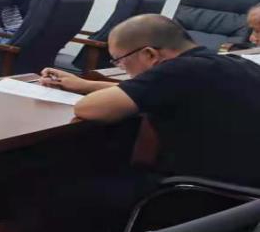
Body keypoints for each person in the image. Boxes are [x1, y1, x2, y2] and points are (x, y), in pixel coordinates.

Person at [41, 14, 260, 186]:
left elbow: (88, 108)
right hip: (245, 196)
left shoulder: (177, 71)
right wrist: (85, 85)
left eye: (119, 61)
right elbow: (153, 90)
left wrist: (89, 93)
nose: (121, 68)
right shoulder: (232, 64)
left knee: (67, 182)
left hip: (200, 193)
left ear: (150, 55)